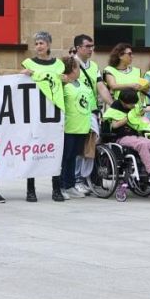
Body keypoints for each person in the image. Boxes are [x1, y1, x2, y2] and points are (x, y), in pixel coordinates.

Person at [21, 31, 66, 204]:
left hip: (53, 113)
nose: (39, 46)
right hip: (35, 113)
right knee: (33, 149)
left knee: (55, 150)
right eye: (36, 43)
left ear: (48, 44)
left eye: (42, 43)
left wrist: (64, 80)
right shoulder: (28, 64)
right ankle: (30, 190)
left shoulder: (59, 65)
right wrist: (23, 74)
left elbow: (65, 81)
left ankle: (56, 188)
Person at [101, 89, 150, 187]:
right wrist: (128, 117)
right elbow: (114, 125)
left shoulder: (133, 106)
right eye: (131, 104)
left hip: (135, 136)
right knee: (142, 145)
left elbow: (145, 108)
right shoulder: (115, 108)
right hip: (121, 137)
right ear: (123, 102)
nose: (133, 106)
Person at [54, 56, 90, 201]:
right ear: (73, 68)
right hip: (69, 128)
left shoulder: (81, 84)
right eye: (78, 67)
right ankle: (62, 186)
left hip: (82, 127)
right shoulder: (64, 86)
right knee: (66, 158)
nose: (80, 70)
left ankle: (70, 185)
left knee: (74, 158)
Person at [71, 34, 102, 195]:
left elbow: (100, 86)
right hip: (76, 112)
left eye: (92, 46)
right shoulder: (71, 63)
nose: (91, 49)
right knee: (78, 146)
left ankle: (84, 178)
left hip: (91, 111)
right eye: (87, 46)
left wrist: (111, 104)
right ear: (78, 48)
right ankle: (76, 179)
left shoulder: (94, 65)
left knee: (90, 145)